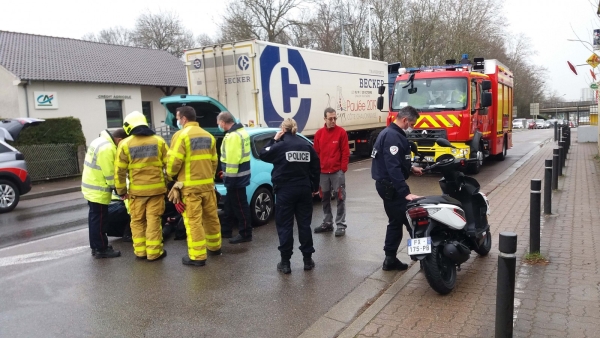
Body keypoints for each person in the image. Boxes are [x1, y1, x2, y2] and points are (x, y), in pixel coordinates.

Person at [259, 118, 320, 274]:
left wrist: (273, 139)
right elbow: (315, 167)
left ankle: (285, 263)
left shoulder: (280, 146)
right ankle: (307, 260)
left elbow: (263, 154)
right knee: (304, 225)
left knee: (285, 226)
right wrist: (313, 186)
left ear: (282, 129)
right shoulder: (306, 145)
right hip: (304, 190)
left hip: (285, 191)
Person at [167, 106, 222, 266]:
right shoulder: (209, 136)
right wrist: (208, 177)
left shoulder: (181, 136)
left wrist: (171, 177)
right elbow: (214, 162)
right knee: (211, 217)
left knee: (193, 221)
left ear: (184, 119)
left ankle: (197, 257)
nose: (177, 121)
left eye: (178, 118)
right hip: (207, 186)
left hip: (190, 188)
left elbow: (174, 162)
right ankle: (215, 248)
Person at [371, 106, 423, 271]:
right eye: (411, 123)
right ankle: (427, 261)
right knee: (414, 221)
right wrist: (405, 192)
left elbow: (396, 162)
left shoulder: (391, 133)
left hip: (388, 186)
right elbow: (392, 167)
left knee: (395, 221)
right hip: (391, 187)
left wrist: (410, 169)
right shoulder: (393, 136)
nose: (411, 127)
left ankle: (390, 259)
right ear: (405, 120)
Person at [115, 111, 169, 261]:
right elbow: (169, 166)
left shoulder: (124, 144)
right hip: (156, 191)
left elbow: (119, 171)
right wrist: (168, 182)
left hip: (136, 192)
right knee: (153, 221)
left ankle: (140, 252)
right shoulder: (159, 141)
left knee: (137, 221)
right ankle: (154, 253)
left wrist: (121, 191)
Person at [82, 128, 127, 259]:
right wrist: (121, 191)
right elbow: (110, 175)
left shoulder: (99, 141)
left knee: (94, 219)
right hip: (98, 190)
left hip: (91, 187)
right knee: (100, 221)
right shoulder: (108, 149)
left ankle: (96, 246)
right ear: (119, 140)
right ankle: (101, 248)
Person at [313, 107, 350, 237]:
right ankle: (327, 223)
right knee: (324, 198)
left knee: (340, 198)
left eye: (335, 118)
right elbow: (316, 153)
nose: (333, 120)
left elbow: (345, 152)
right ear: (325, 119)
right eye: (330, 118)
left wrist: (342, 169)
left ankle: (340, 224)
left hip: (336, 172)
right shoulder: (319, 134)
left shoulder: (341, 133)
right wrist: (317, 170)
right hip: (323, 172)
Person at [217, 111, 253, 244]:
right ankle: (226, 230)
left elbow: (233, 160)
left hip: (235, 178)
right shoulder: (241, 132)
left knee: (240, 206)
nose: (218, 125)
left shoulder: (233, 136)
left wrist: (229, 179)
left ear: (222, 122)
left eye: (218, 123)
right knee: (230, 204)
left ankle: (245, 233)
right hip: (239, 176)